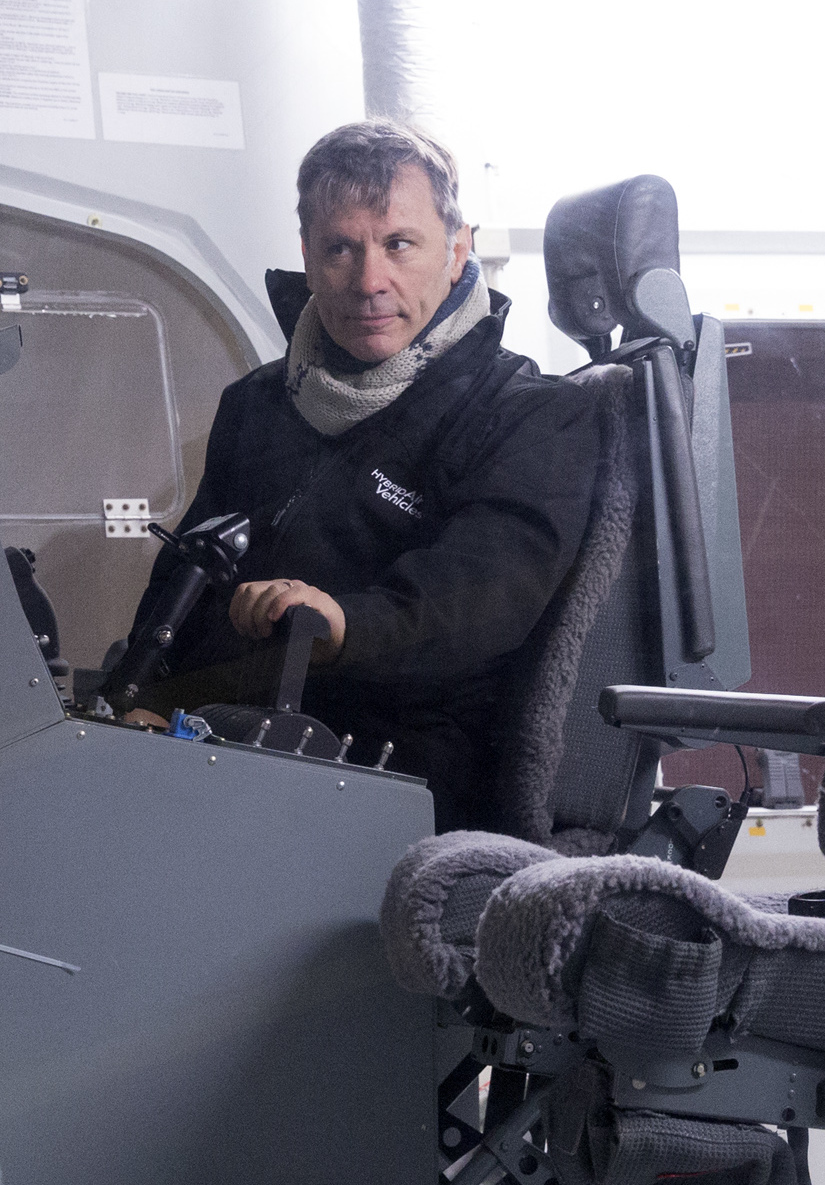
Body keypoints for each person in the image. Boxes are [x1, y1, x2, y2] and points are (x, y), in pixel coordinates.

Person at [123, 119, 598, 830]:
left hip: (402, 771)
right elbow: (183, 584)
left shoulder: (532, 417)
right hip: (233, 739)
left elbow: (480, 601)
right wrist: (143, 697)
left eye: (399, 245)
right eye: (340, 248)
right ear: (308, 260)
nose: (369, 280)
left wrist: (346, 623)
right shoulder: (257, 403)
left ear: (457, 248)